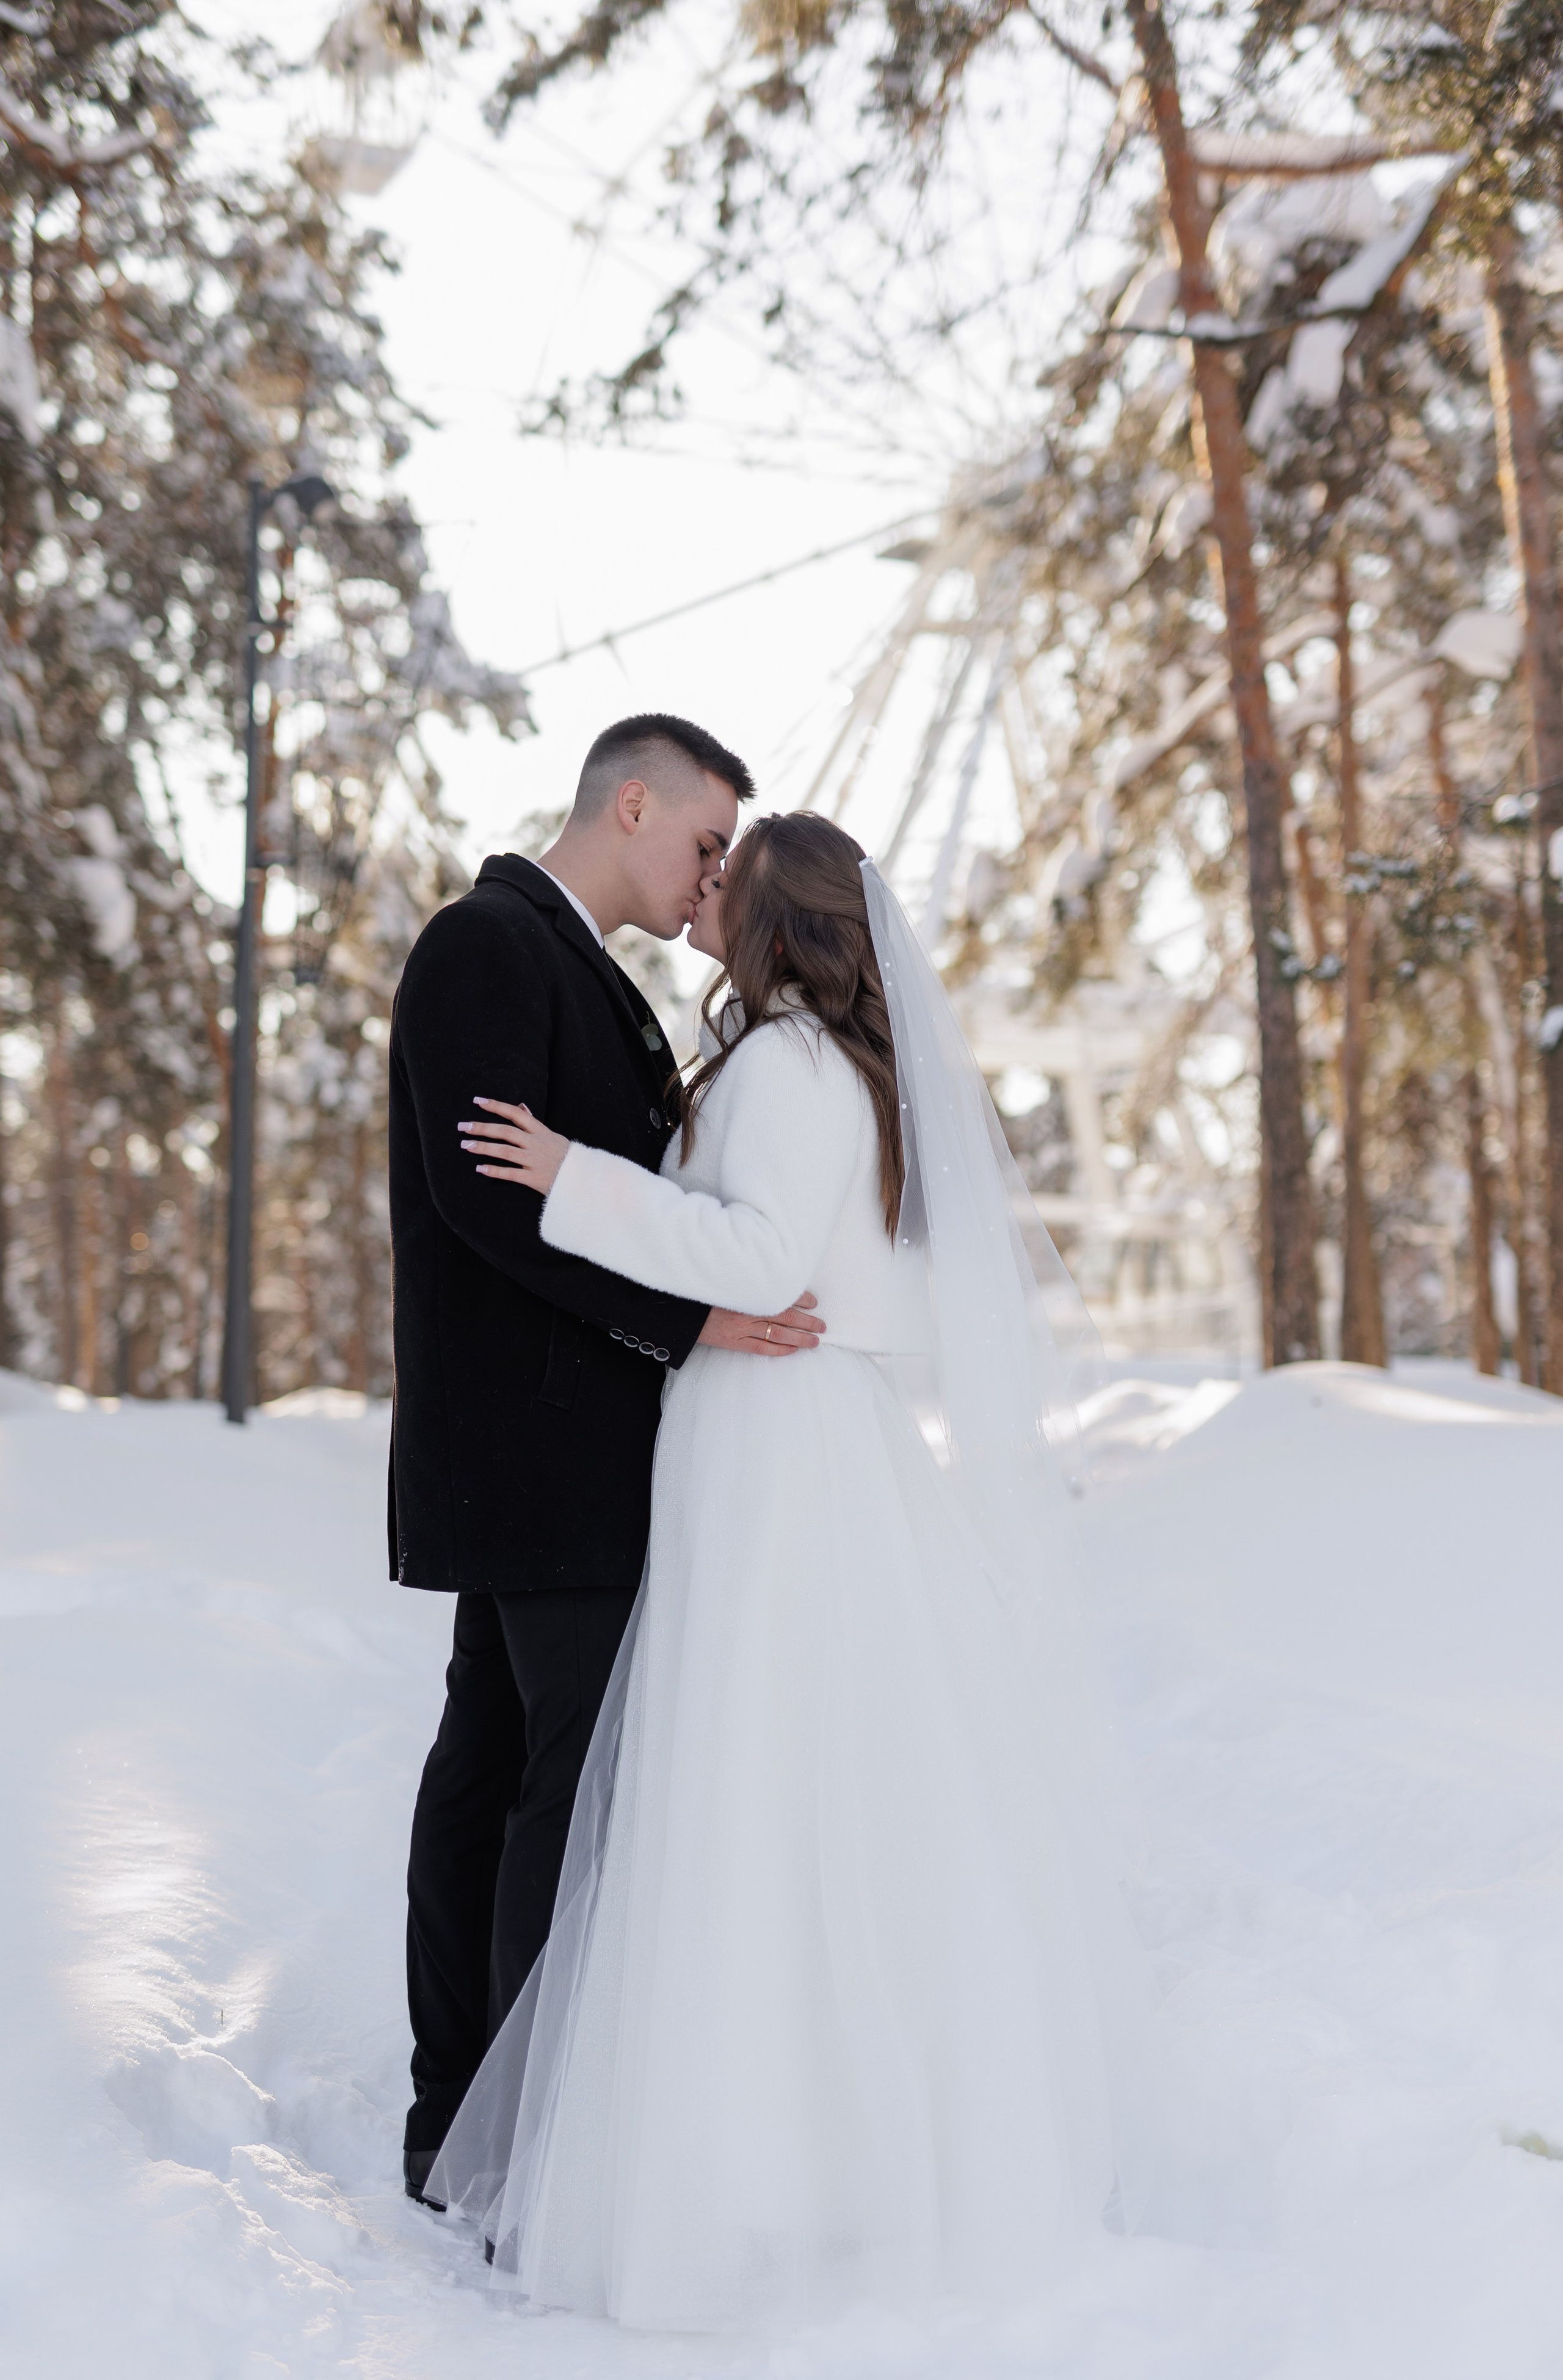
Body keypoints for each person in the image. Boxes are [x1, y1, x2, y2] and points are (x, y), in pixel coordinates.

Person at [429, 810, 1172, 2327]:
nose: (703, 890)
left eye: (727, 875)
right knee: (794, 1780)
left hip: (767, 1440)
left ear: (774, 917)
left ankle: (741, 2171)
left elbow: (758, 1259)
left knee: (745, 1781)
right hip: (794, 1429)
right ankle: (816, 2144)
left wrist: (575, 1172)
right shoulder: (831, 1064)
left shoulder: (784, 1063)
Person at [388, 717, 828, 2208]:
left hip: (556, 1441)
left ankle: (465, 2120)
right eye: (705, 840)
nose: (716, 876)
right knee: (545, 1789)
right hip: (532, 1441)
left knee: (502, 1768)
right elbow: (480, 1197)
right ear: (628, 800)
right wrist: (696, 1315)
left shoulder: (576, 965)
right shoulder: (487, 945)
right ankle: (508, 2136)